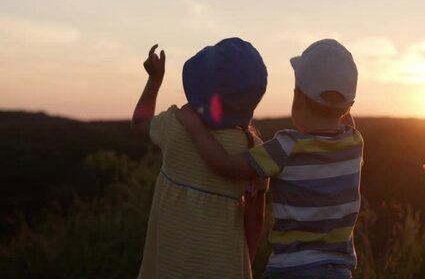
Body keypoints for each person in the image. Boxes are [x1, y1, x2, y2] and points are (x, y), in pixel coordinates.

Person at [177, 39, 362, 279]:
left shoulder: (285, 148)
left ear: (297, 96)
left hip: (292, 269)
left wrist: (192, 124)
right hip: (338, 272)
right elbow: (346, 121)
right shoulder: (355, 144)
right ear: (348, 107)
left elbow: (222, 164)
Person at [132, 38, 268, 279]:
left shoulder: (175, 126)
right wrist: (246, 263)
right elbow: (255, 219)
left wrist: (154, 81)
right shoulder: (255, 152)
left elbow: (140, 123)